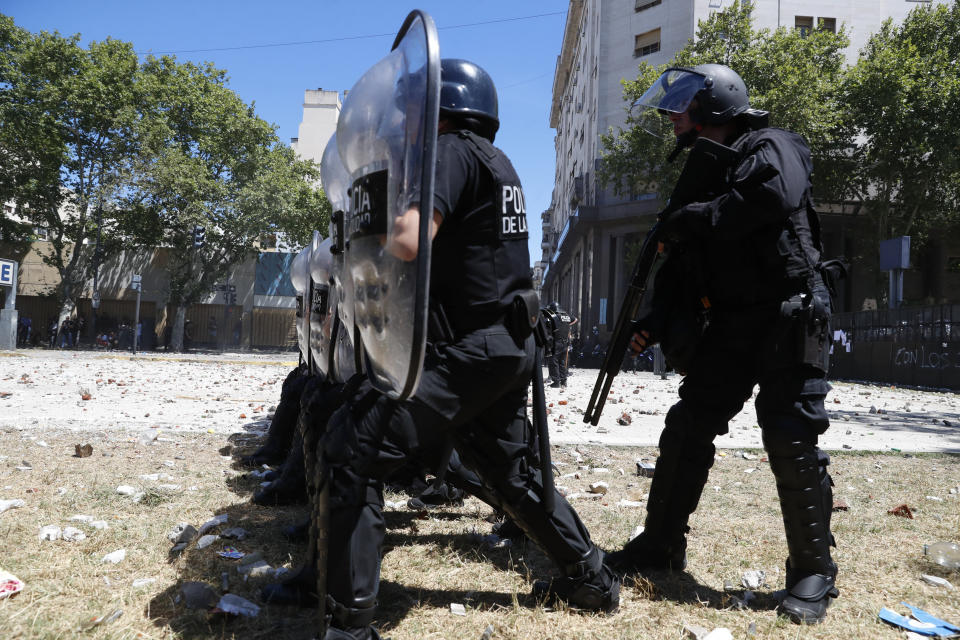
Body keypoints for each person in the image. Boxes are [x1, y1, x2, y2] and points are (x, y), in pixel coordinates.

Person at [318, 58, 618, 640]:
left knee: (355, 445)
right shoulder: (498, 162)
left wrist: (365, 214)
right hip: (503, 347)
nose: (404, 122)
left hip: (469, 350)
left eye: (412, 111)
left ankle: (348, 626)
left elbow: (408, 242)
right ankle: (591, 578)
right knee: (512, 473)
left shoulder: (450, 155)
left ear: (443, 112)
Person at [605, 64, 839, 625]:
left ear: (715, 107)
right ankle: (659, 544)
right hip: (731, 324)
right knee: (687, 428)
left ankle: (813, 571)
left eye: (682, 105)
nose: (672, 116)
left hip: (787, 314)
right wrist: (656, 318)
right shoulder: (704, 171)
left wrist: (696, 217)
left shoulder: (773, 145)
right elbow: (689, 264)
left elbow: (773, 197)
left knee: (789, 437)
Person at [546, 302, 577, 388]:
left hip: (556, 342)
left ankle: (556, 382)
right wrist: (566, 325)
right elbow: (575, 319)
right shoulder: (566, 316)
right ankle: (563, 381)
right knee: (563, 362)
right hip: (565, 342)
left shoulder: (554, 317)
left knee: (553, 361)